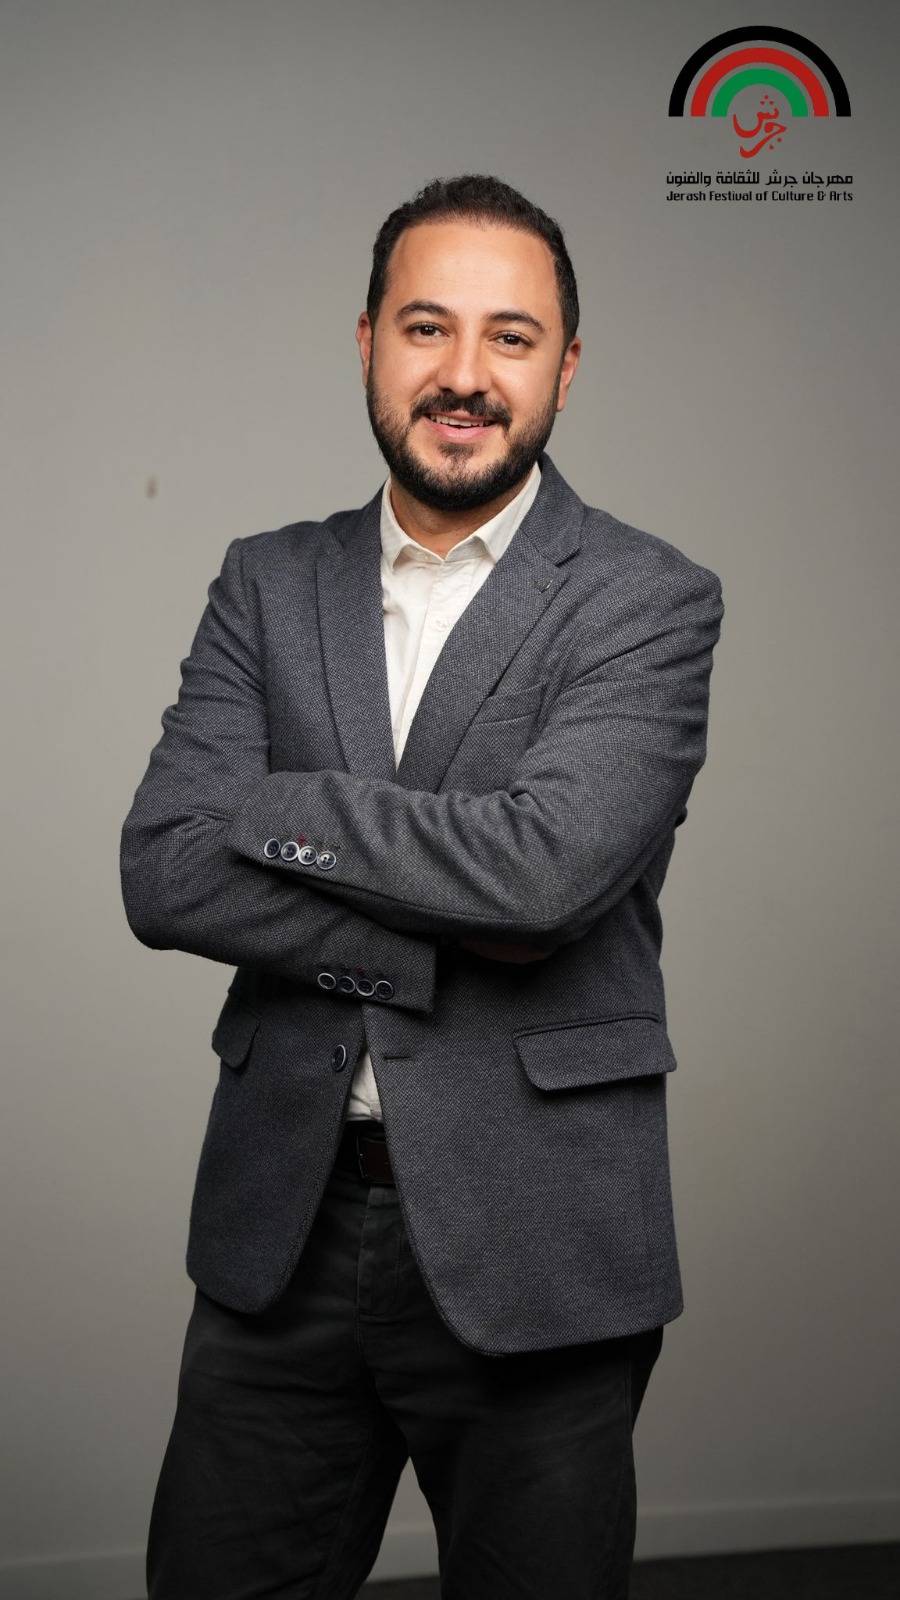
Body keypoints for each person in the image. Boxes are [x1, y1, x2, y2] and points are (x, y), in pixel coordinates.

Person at [120, 172, 724, 1600]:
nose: (465, 374)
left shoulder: (646, 597)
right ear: (368, 341)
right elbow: (166, 868)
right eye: (427, 326)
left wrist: (277, 808)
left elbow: (544, 879)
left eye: (511, 336)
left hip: (541, 1238)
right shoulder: (267, 582)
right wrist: (438, 931)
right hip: (284, 1226)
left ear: (566, 365)